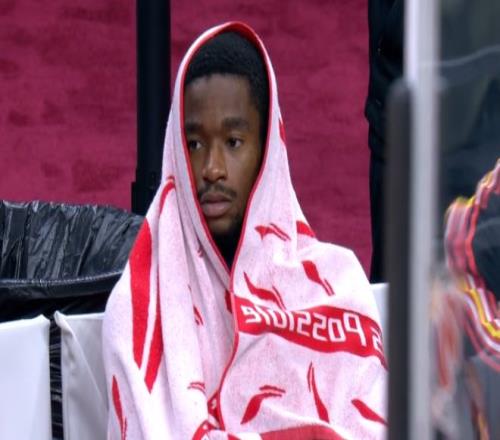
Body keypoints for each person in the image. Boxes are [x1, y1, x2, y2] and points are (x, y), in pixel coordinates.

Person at [103, 22, 387, 439]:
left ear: (268, 147)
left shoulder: (337, 284)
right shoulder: (139, 307)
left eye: (233, 142)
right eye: (194, 144)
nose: (212, 168)